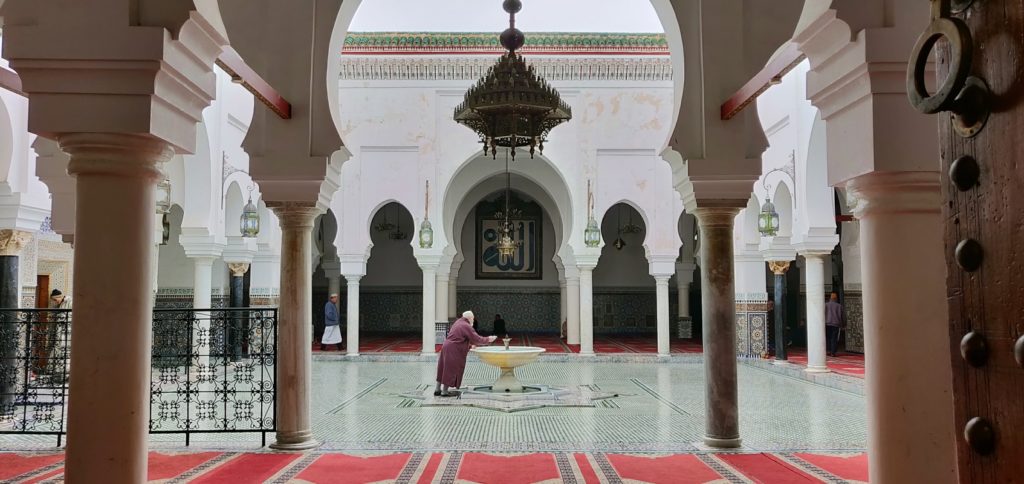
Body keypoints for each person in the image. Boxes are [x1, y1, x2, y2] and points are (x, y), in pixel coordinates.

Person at [435, 310, 496, 397]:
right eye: (473, 318)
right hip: (453, 349)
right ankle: (444, 392)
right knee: (450, 369)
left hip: (447, 346)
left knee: (443, 367)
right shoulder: (466, 325)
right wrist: (488, 339)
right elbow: (476, 339)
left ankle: (437, 389)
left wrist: (470, 347)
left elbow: (460, 338)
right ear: (470, 318)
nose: (473, 320)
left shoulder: (458, 322)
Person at [825, 292, 844, 357]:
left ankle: (829, 351)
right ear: (836, 298)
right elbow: (842, 316)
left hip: (827, 324)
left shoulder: (826, 305)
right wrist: (843, 324)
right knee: (834, 338)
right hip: (836, 324)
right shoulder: (839, 306)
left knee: (828, 338)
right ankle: (833, 352)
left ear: (830, 298)